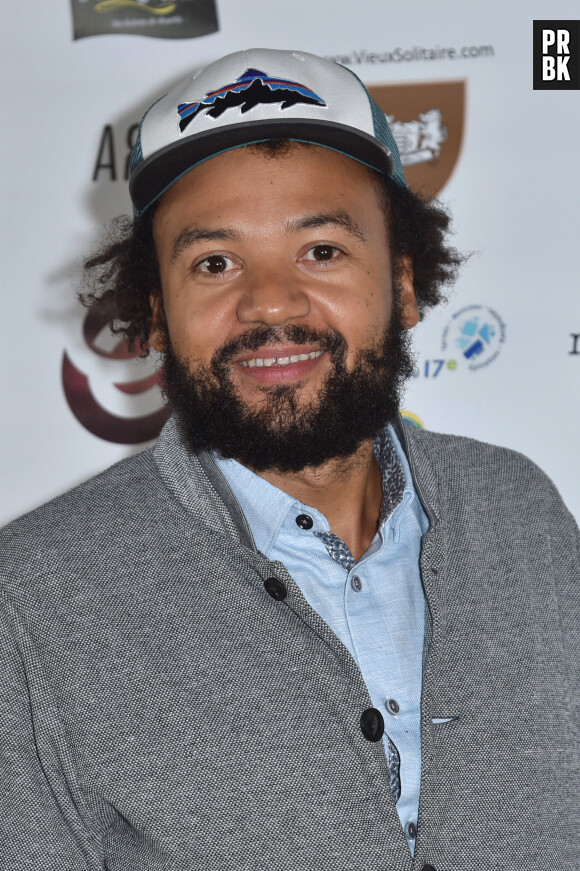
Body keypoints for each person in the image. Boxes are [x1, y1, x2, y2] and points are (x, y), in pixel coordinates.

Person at [0, 48, 578, 871]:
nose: (269, 300)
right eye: (215, 263)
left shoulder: (520, 507)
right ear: (157, 314)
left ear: (405, 283)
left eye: (321, 251)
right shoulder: (32, 597)